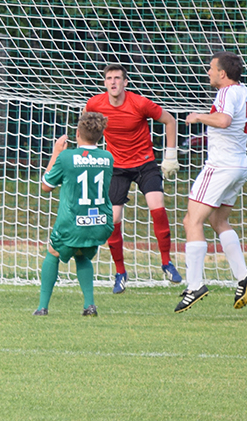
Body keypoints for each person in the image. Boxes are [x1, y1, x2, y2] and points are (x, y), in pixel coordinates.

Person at [175, 51, 247, 313]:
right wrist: (241, 148)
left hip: (220, 165)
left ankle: (194, 285)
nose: (208, 73)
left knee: (192, 221)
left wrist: (198, 116)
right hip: (239, 165)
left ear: (222, 74)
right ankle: (243, 275)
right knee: (218, 221)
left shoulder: (226, 93)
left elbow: (224, 121)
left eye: (211, 69)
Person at [84, 64, 182, 294]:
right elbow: (87, 128)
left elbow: (170, 121)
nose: (113, 82)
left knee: (156, 205)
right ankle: (120, 272)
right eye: (109, 78)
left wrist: (170, 156)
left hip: (145, 163)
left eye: (118, 78)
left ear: (126, 82)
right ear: (104, 82)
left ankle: (167, 263)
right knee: (113, 218)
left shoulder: (140, 103)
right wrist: (86, 154)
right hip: (116, 166)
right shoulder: (94, 104)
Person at [33, 112, 114, 317]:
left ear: (77, 133)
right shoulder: (107, 157)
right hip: (99, 222)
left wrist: (56, 153)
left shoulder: (67, 157)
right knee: (81, 253)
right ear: (101, 135)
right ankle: (90, 305)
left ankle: (42, 307)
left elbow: (46, 186)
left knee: (52, 252)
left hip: (73, 222)